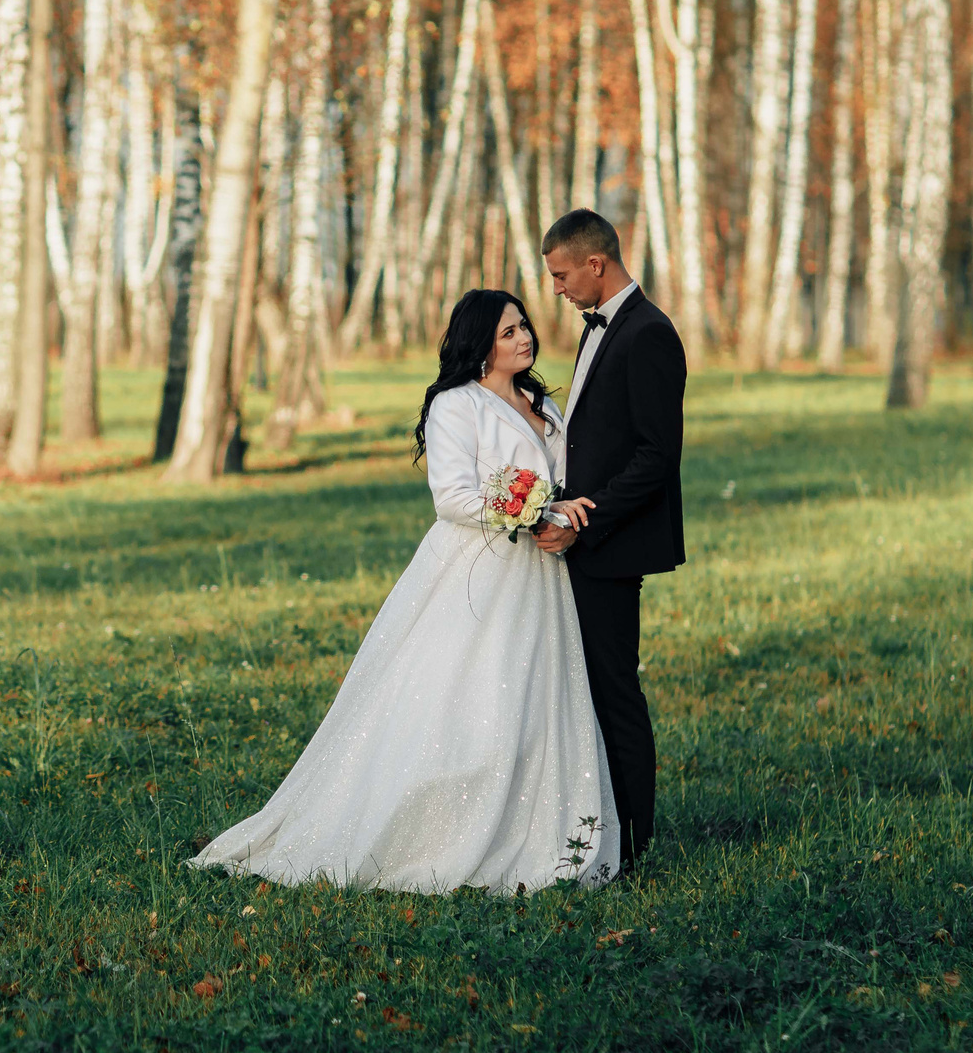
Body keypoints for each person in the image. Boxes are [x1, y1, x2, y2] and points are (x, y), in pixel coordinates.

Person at [190, 289, 619, 895]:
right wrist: (533, 510)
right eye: (507, 333)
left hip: (542, 575)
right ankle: (435, 829)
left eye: (524, 327)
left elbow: (561, 472)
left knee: (533, 698)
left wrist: (563, 510)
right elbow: (452, 498)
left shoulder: (540, 402)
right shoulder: (456, 404)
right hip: (479, 570)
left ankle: (533, 824)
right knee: (468, 698)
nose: (523, 339)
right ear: (479, 344)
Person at [535, 208, 685, 870]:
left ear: (596, 264)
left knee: (615, 692)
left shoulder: (649, 333)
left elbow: (656, 457)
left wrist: (580, 517)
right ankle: (601, 829)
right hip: (583, 539)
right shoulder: (600, 327)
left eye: (563, 276)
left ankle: (635, 843)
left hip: (611, 545)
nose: (558, 289)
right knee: (590, 688)